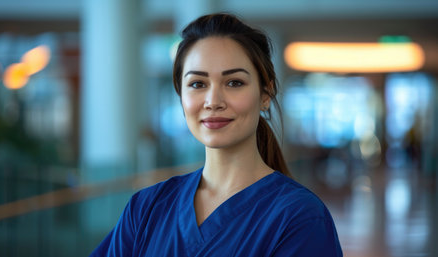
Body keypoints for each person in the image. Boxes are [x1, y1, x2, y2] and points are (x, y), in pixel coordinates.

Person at [90, 13, 342, 256]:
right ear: (181, 96)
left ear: (265, 94)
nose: (213, 101)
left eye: (234, 83)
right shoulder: (146, 208)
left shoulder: (299, 217)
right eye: (198, 84)